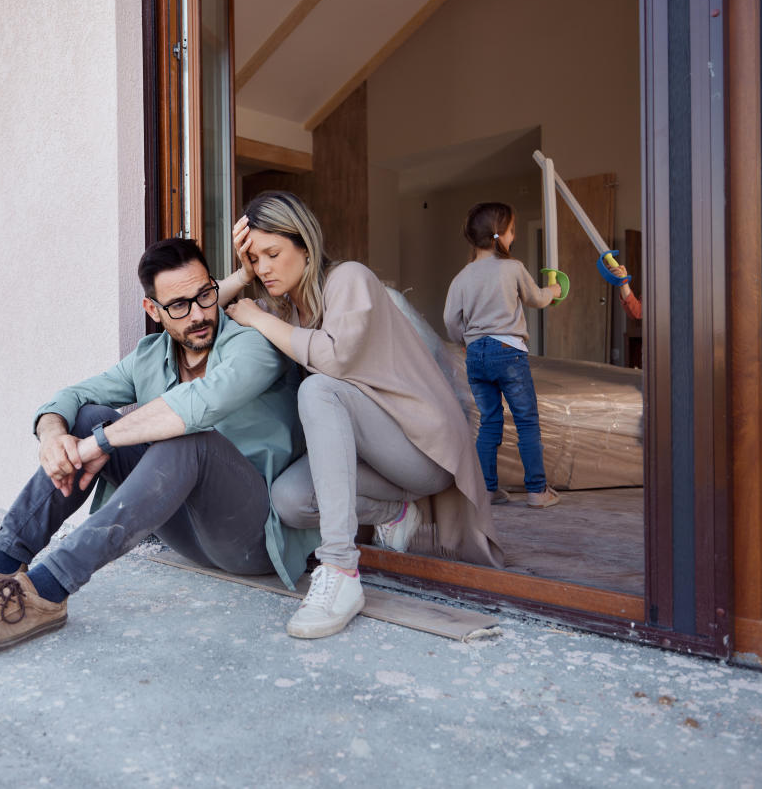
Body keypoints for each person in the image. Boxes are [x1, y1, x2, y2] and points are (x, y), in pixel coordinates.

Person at [0, 238, 304, 656]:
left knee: (185, 438)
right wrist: (53, 436)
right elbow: (72, 396)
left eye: (204, 295)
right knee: (86, 416)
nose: (197, 314)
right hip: (186, 533)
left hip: (249, 537)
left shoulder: (253, 344)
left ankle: (47, 591)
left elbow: (196, 406)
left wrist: (98, 444)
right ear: (153, 311)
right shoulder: (149, 355)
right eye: (179, 305)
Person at [220, 190, 502, 640]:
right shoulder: (289, 307)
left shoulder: (348, 278)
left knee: (319, 389)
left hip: (420, 448)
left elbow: (334, 358)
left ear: (305, 245)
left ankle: (340, 571)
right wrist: (239, 274)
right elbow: (194, 312)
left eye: (272, 253)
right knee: (290, 499)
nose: (265, 268)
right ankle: (396, 511)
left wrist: (259, 319)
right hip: (379, 464)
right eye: (257, 259)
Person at [443, 201, 562, 511]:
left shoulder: (462, 277)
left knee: (489, 422)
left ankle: (487, 489)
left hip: (476, 356)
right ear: (500, 235)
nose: (514, 237)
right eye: (512, 231)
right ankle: (537, 490)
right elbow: (536, 298)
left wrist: (465, 342)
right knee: (526, 422)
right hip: (508, 353)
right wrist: (553, 291)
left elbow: (450, 320)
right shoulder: (512, 268)